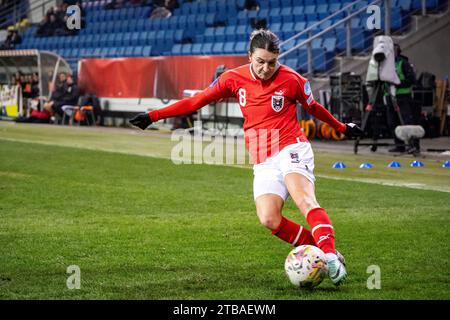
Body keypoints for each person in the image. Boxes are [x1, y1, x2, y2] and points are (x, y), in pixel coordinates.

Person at [129, 30, 363, 286]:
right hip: (262, 155)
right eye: (260, 61)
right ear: (249, 56)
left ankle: (327, 254)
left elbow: (314, 108)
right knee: (268, 218)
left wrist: (341, 127)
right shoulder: (232, 78)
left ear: (278, 59)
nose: (265, 68)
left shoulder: (293, 80)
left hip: (291, 146)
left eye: (272, 62)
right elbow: (198, 101)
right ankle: (327, 254)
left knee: (305, 200)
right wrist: (154, 116)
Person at [388, 43, 418, 153]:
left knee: (406, 121)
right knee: (392, 122)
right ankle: (399, 145)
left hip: (403, 96)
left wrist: (398, 83)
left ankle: (413, 145)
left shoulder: (403, 63)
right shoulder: (386, 64)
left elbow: (412, 79)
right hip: (390, 96)